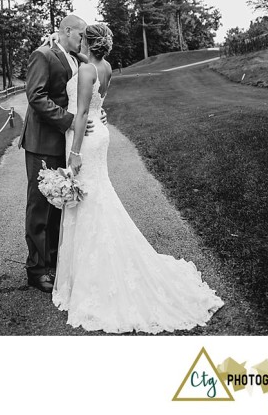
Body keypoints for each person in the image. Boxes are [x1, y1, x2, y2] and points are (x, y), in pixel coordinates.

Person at [52, 23, 223, 332]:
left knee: (90, 201)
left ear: (88, 44)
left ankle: (96, 278)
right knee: (96, 197)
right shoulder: (105, 67)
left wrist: (74, 153)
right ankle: (91, 271)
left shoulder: (88, 70)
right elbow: (98, 104)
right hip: (99, 132)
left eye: (82, 39)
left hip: (85, 139)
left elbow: (79, 115)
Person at [19, 14, 89, 293]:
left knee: (57, 205)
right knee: (39, 207)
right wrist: (69, 120)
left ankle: (53, 262)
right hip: (41, 142)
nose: (82, 39)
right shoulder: (43, 54)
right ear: (67, 31)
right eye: (80, 34)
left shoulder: (74, 58)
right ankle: (36, 270)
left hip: (60, 142)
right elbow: (36, 96)